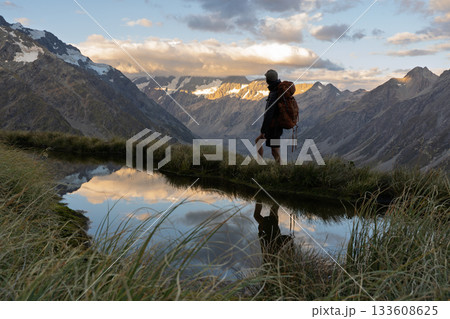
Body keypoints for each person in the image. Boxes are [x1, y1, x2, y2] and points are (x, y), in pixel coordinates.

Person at [255, 69, 283, 164]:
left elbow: (269, 114)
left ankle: (281, 170)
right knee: (262, 143)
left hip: (273, 128)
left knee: (274, 151)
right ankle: (261, 163)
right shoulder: (278, 90)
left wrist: (263, 130)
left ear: (268, 80)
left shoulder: (274, 93)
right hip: (276, 127)